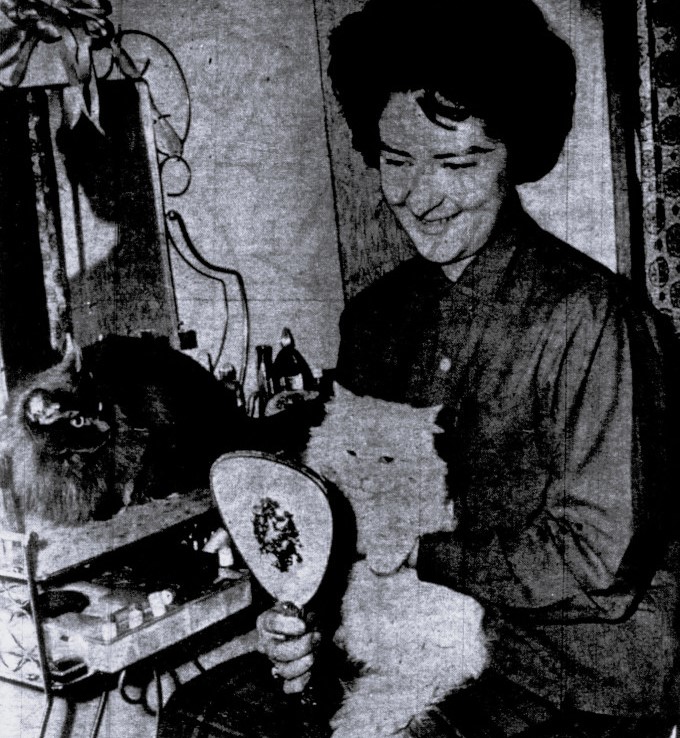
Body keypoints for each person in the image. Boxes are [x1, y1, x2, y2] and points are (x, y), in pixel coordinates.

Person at [160, 1, 679, 736]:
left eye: (459, 163)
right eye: (397, 161)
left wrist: (420, 556)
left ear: (516, 153)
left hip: (561, 671)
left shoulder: (591, 317)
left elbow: (600, 564)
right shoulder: (374, 320)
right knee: (204, 716)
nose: (421, 196)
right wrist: (301, 618)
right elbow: (337, 513)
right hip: (402, 640)